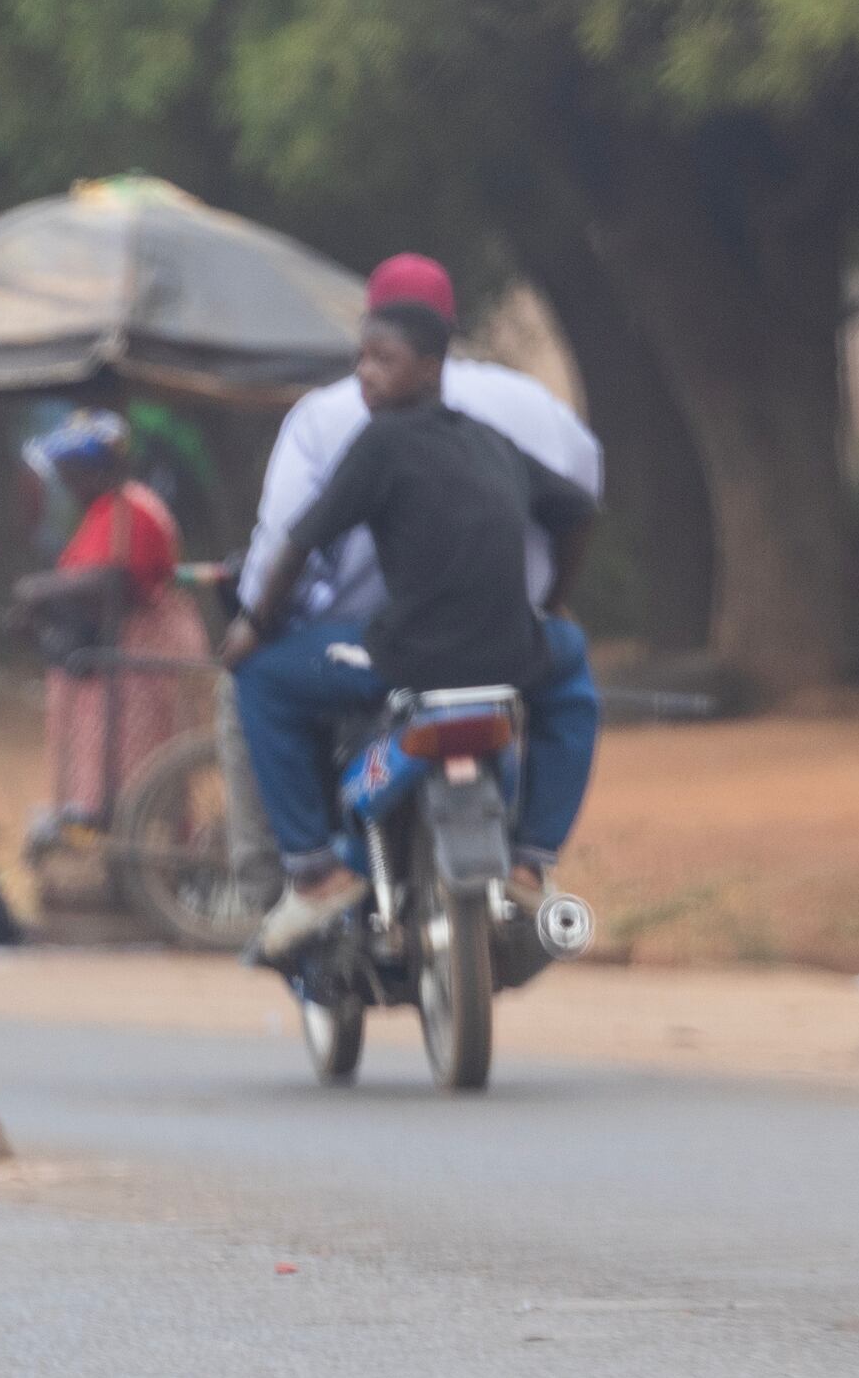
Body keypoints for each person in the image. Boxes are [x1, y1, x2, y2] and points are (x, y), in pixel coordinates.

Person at [221, 284, 600, 965]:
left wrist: (253, 623)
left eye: (383, 360)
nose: (364, 373)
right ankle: (531, 858)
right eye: (361, 359)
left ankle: (313, 871)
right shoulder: (489, 440)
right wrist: (552, 603)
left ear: (429, 368)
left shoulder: (379, 443)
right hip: (512, 653)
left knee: (263, 680)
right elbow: (577, 511)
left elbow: (299, 538)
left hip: (408, 659)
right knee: (572, 679)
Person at [10, 405, 205, 839]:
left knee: (132, 767)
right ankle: (100, 833)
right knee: (97, 765)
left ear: (94, 470)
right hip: (110, 652)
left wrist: (39, 591)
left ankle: (135, 841)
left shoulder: (134, 509)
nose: (66, 482)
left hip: (142, 652)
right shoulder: (103, 512)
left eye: (72, 472)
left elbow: (113, 579)